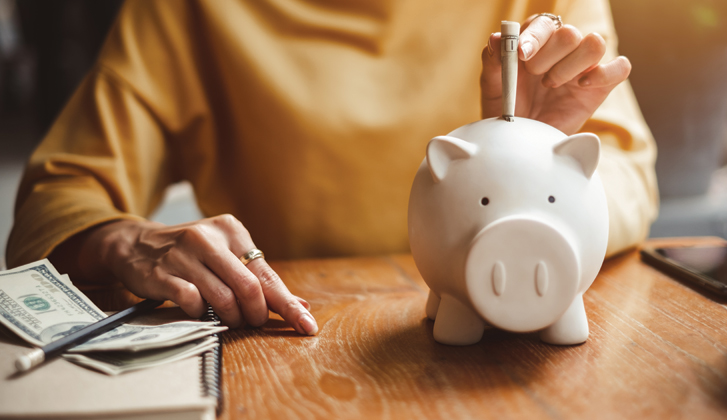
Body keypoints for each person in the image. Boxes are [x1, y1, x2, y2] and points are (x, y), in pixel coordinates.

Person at [6, 0, 658, 335]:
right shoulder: (188, 10)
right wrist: (128, 239)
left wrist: (537, 163)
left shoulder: (540, 7)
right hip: (289, 340)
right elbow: (60, 192)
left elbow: (627, 167)